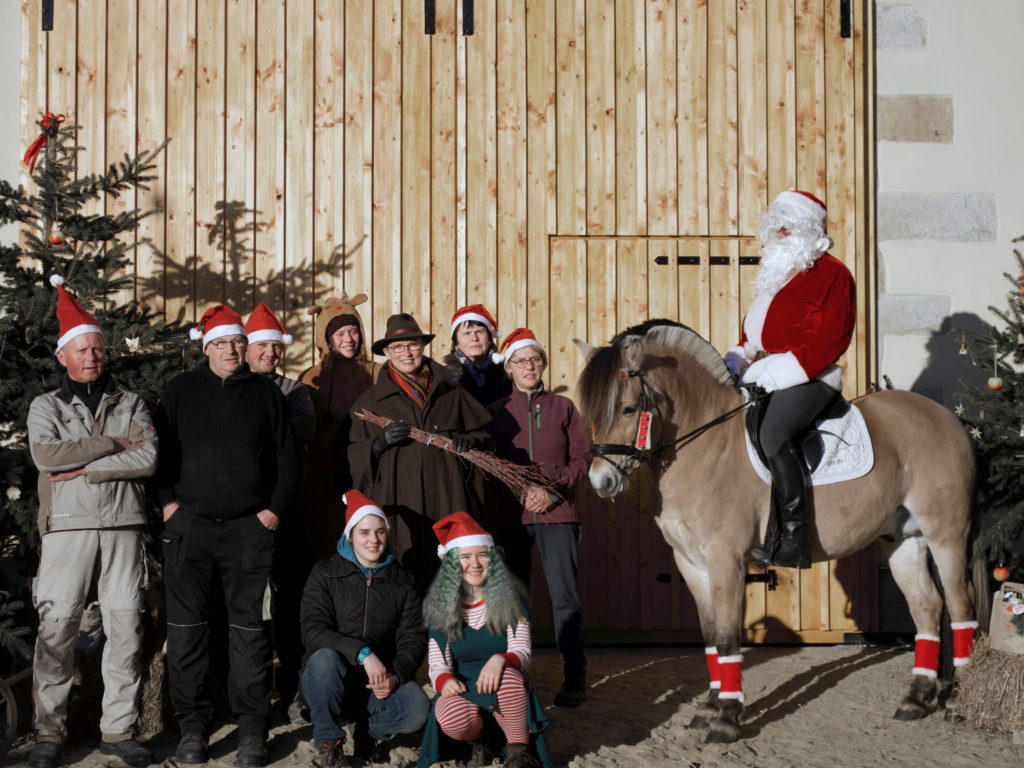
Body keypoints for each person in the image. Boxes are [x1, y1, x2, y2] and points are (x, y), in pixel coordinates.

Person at [154, 304, 296, 767]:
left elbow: (287, 459)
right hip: (189, 530)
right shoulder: (180, 391)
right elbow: (158, 454)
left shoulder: (265, 393)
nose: (231, 350)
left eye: (237, 342)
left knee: (249, 632)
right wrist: (168, 506)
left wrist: (273, 511)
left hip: (248, 531)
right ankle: (194, 727)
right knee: (188, 630)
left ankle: (252, 727)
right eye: (220, 343)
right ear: (206, 347)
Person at [26, 276, 157, 768]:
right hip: (66, 529)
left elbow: (147, 458)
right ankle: (48, 734)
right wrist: (109, 445)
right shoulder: (46, 406)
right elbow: (46, 456)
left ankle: (118, 729)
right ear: (63, 356)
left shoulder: (132, 403)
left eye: (97, 350)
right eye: (81, 351)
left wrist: (86, 469)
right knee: (57, 628)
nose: (91, 358)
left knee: (125, 627)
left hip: (124, 526)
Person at [723, 190, 856, 569]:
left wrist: (782, 371)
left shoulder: (834, 275)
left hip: (810, 375)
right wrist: (738, 358)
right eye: (775, 226)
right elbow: (752, 336)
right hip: (762, 373)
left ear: (810, 230)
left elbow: (834, 338)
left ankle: (796, 539)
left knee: (773, 435)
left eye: (788, 226)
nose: (779, 233)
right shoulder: (775, 276)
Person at [348, 313, 494, 590]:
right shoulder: (370, 404)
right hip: (403, 506)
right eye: (398, 347)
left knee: (452, 578)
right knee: (406, 576)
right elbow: (353, 457)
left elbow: (485, 438)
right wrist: (378, 444)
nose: (406, 353)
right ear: (387, 352)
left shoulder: (450, 393)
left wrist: (471, 442)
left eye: (412, 345)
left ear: (423, 347)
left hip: (449, 499)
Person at [486, 328, 592, 707]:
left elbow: (582, 457)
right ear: (509, 368)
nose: (529, 366)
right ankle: (516, 679)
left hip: (558, 514)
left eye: (535, 359)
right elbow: (492, 466)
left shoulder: (563, 408)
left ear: (543, 364)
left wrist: (554, 490)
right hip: (513, 517)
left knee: (565, 597)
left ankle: (574, 676)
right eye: (521, 361)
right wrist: (520, 492)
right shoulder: (497, 413)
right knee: (514, 599)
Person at [300, 489, 430, 768]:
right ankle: (329, 744)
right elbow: (313, 630)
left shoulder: (403, 581)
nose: (374, 540)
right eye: (364, 532)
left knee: (417, 707)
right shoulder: (324, 573)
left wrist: (396, 675)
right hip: (328, 684)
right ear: (350, 534)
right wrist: (362, 652)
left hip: (376, 687)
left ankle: (367, 733)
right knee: (324, 658)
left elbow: (413, 638)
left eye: (380, 531)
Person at [418, 512, 551, 768]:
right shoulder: (440, 608)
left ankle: (518, 750)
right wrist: (445, 681)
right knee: (449, 714)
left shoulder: (512, 598)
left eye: (482, 555)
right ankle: (484, 741)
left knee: (510, 677)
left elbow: (522, 652)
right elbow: (437, 665)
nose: (475, 563)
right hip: (464, 685)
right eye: (465, 557)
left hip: (504, 682)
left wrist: (500, 660)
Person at [244, 302, 316, 718]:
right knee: (248, 603)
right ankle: (252, 692)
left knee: (291, 600)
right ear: (248, 349)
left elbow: (305, 428)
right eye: (263, 347)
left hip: (288, 507)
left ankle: (292, 685)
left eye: (276, 347)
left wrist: (260, 421)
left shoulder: (294, 390)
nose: (271, 354)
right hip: (246, 510)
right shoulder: (234, 386)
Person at [299, 293, 381, 561]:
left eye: (353, 331)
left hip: (372, 472)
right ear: (326, 338)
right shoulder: (312, 378)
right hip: (327, 477)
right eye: (340, 333)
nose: (349, 339)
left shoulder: (379, 373)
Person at [443, 304, 512, 407]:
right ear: (456, 344)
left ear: (489, 339)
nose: (474, 338)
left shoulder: (507, 375)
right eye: (467, 333)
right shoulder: (445, 380)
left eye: (479, 331)